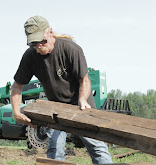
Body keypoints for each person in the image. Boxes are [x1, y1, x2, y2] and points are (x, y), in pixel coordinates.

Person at [11, 15, 113, 164]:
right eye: (34, 43)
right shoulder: (30, 57)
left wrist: (83, 100)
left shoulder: (70, 49)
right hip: (55, 109)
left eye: (42, 41)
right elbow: (17, 86)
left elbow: (84, 79)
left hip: (80, 106)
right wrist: (16, 112)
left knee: (96, 146)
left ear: (50, 32)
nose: (39, 46)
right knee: (55, 149)